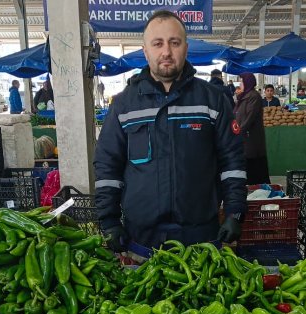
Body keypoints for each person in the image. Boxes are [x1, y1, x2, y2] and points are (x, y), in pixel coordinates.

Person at [93, 10, 247, 255]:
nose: (166, 52)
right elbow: (107, 166)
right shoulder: (124, 105)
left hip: (201, 234)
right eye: (158, 43)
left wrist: (235, 211)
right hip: (141, 238)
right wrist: (109, 221)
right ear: (146, 51)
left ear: (186, 48)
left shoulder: (213, 100)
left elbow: (233, 162)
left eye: (174, 43)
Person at [235, 73, 270, 185]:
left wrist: (239, 131)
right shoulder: (244, 96)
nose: (240, 84)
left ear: (247, 82)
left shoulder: (254, 96)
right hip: (244, 139)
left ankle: (259, 193)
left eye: (242, 81)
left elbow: (249, 117)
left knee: (255, 169)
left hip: (251, 139)